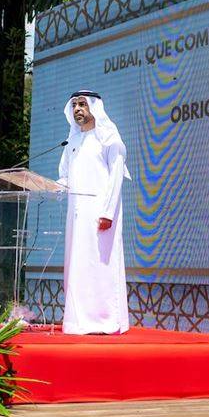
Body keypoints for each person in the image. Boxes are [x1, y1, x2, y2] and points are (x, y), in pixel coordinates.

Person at [57, 90, 131, 335]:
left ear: (94, 107)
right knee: (78, 265)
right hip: (76, 216)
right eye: (74, 105)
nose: (78, 109)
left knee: (100, 264)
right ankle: (79, 321)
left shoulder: (108, 137)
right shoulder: (72, 142)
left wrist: (108, 212)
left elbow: (116, 176)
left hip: (100, 214)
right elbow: (65, 177)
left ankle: (104, 319)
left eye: (82, 104)